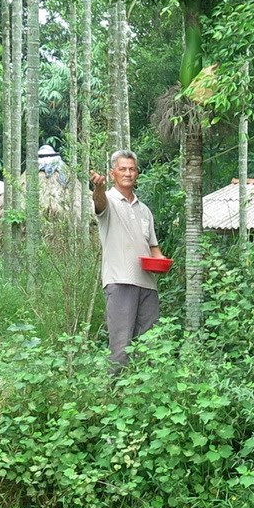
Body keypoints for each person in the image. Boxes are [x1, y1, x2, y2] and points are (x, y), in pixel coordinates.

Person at [91, 150, 167, 367]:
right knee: (121, 346)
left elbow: (154, 248)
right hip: (120, 281)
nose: (128, 173)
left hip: (148, 285)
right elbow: (99, 205)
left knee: (149, 345)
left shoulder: (144, 210)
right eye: (122, 169)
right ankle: (114, 395)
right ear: (112, 173)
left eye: (132, 169)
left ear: (137, 173)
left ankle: (143, 395)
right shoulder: (108, 201)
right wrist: (98, 187)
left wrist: (163, 261)